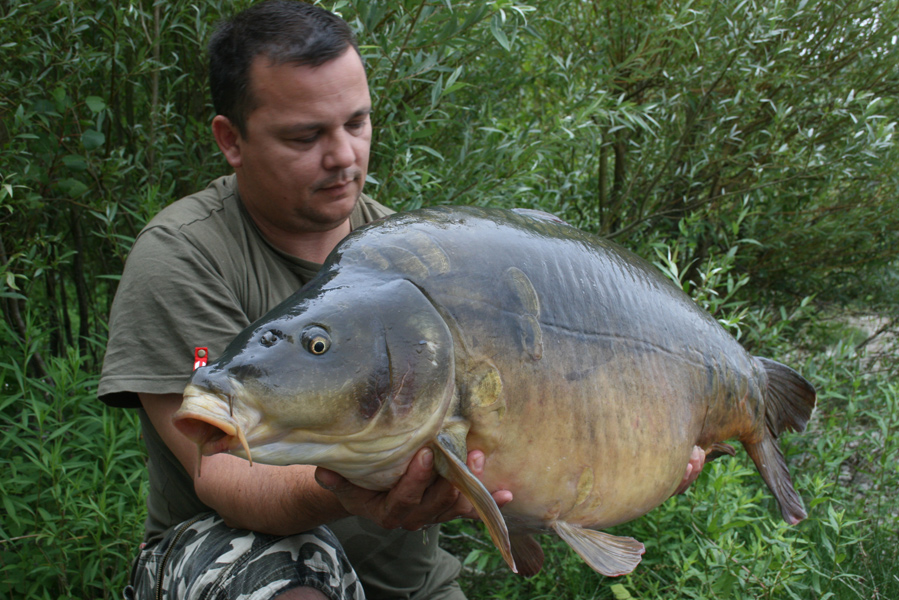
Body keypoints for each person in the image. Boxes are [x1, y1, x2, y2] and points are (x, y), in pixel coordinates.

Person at [99, 2, 704, 599]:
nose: (343, 157)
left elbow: (535, 430)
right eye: (306, 135)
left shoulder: (420, 257)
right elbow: (223, 477)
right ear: (231, 140)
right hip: (225, 559)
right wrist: (348, 488)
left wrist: (638, 458)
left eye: (356, 124)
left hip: (406, 583)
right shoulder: (181, 256)